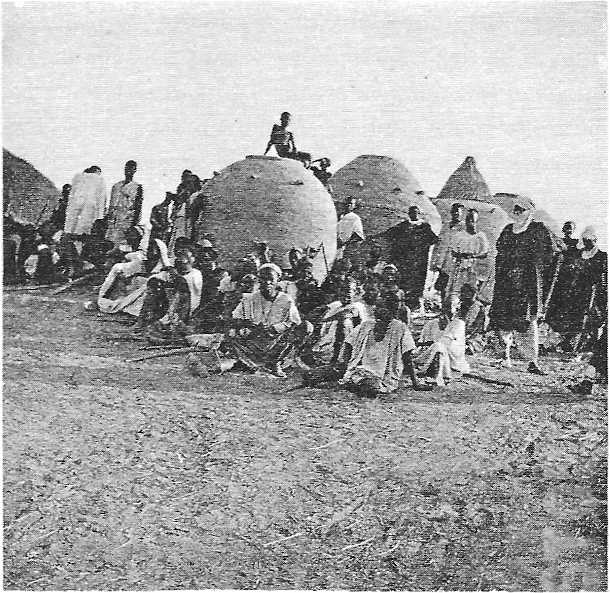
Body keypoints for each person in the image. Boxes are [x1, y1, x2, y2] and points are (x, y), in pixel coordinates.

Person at [488, 195, 554, 374]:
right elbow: (500, 251)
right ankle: (505, 356)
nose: (517, 212)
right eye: (515, 209)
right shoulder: (508, 230)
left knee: (527, 320)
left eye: (521, 209)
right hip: (506, 282)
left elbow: (548, 254)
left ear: (529, 212)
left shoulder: (538, 230)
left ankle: (532, 361)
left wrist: (530, 268)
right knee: (504, 318)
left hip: (527, 284)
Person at [225, 263, 310, 378]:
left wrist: (274, 328)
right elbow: (236, 318)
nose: (267, 282)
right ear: (259, 280)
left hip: (277, 343)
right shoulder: (250, 298)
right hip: (254, 340)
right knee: (231, 332)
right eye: (263, 279)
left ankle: (276, 362)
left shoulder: (286, 300)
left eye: (271, 279)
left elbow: (294, 322)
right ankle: (247, 362)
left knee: (306, 327)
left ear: (278, 279)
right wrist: (251, 325)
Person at [335, 299, 432, 396]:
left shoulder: (400, 328)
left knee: (371, 386)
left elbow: (407, 355)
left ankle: (360, 386)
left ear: (392, 311)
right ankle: (355, 383)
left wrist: (415, 382)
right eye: (377, 308)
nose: (378, 311)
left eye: (383, 308)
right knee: (351, 377)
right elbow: (348, 342)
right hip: (360, 369)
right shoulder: (366, 325)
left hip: (385, 375)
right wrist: (344, 365)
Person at [384, 205, 439, 310]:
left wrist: (421, 245)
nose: (414, 214)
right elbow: (390, 234)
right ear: (409, 214)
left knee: (417, 281)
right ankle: (404, 303)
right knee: (405, 280)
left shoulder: (424, 227)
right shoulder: (403, 226)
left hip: (419, 260)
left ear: (419, 214)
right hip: (406, 260)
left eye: (416, 212)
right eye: (412, 213)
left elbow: (433, 239)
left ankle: (415, 304)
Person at [545, 221, 584, 349]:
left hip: (569, 280)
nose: (568, 231)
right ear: (563, 229)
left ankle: (565, 339)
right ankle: (551, 339)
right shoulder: (558, 241)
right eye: (566, 228)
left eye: (570, 229)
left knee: (567, 308)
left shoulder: (576, 244)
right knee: (554, 307)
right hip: (556, 280)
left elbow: (578, 259)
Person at [414, 300, 470, 386]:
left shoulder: (458, 323)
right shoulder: (432, 323)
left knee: (438, 346)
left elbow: (447, 343)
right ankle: (427, 369)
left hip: (453, 355)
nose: (449, 311)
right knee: (437, 347)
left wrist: (431, 343)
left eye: (452, 308)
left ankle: (425, 368)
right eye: (446, 307)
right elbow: (424, 341)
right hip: (441, 350)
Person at [445, 209, 489, 305]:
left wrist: (472, 256)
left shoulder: (481, 237)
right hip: (460, 266)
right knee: (455, 290)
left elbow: (485, 253)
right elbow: (453, 251)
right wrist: (460, 255)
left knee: (471, 291)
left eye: (473, 220)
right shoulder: (459, 235)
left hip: (474, 267)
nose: (470, 223)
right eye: (468, 220)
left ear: (477, 221)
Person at [431, 203, 465, 301]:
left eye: (458, 212)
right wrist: (435, 261)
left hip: (454, 261)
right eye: (454, 212)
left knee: (452, 285)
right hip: (443, 260)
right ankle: (443, 304)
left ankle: (450, 305)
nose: (455, 214)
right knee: (442, 284)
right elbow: (439, 243)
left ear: (462, 213)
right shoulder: (446, 225)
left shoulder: (464, 227)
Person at [106, 160, 143, 247]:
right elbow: (111, 204)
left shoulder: (137, 187)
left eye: (131, 168)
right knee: (109, 243)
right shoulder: (116, 186)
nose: (128, 171)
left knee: (122, 246)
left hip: (126, 222)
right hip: (113, 221)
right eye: (127, 168)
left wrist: (133, 226)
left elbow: (138, 208)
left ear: (135, 170)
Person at [64, 166, 107, 237]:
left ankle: (69, 235)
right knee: (83, 230)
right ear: (97, 171)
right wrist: (100, 216)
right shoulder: (100, 179)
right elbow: (102, 198)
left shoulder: (77, 177)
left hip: (75, 205)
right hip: (90, 206)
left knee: (70, 227)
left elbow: (71, 195)